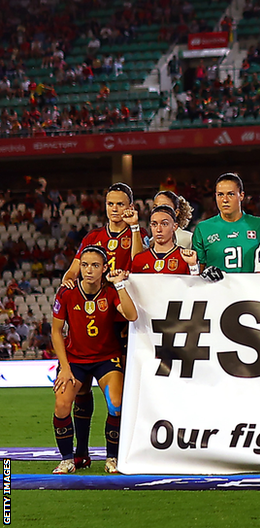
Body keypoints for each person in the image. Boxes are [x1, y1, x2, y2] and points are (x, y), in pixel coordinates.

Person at [59, 183, 145, 470]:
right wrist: (68, 280)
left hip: (125, 316)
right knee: (81, 393)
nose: (115, 209)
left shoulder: (137, 234)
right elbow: (74, 269)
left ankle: (121, 453)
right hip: (102, 316)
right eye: (111, 204)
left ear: (130, 206)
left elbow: (140, 264)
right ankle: (80, 453)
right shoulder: (94, 237)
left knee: (120, 397)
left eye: (121, 204)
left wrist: (134, 230)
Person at [51, 246, 138, 474]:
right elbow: (56, 331)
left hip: (106, 359)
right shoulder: (66, 292)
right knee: (61, 405)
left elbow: (132, 315)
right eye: (85, 265)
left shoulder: (110, 292)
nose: (89, 270)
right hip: (75, 360)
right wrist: (65, 368)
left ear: (104, 268)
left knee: (116, 405)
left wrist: (119, 284)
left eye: (95, 265)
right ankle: (68, 459)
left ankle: (112, 458)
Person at [192, 173, 260, 274]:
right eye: (220, 195)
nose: (225, 200)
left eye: (231, 194)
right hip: (217, 289)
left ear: (242, 196)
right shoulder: (203, 229)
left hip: (252, 289)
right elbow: (197, 272)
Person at [130, 206, 199, 275]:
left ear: (174, 226)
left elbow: (195, 285)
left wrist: (193, 265)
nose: (159, 229)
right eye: (154, 224)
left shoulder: (185, 257)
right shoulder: (139, 259)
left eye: (164, 224)